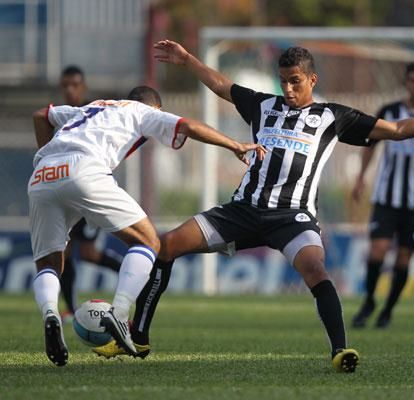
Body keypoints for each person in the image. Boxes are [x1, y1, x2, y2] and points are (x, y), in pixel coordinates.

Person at [92, 40, 414, 373]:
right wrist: (189, 60)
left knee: (316, 269)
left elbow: (398, 130)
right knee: (166, 245)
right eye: (283, 81)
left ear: (312, 79)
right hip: (244, 209)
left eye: (295, 82)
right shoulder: (263, 106)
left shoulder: (332, 117)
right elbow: (223, 86)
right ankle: (139, 339)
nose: (287, 89)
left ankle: (340, 351)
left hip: (293, 217)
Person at [29, 85, 263, 366]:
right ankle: (119, 311)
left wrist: (48, 156)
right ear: (157, 108)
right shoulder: (142, 112)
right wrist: (234, 145)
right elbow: (187, 125)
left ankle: (51, 314)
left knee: (49, 264)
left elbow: (41, 115)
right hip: (85, 169)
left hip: (43, 175)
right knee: (149, 242)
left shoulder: (90, 108)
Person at [350, 63, 414, 329]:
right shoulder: (389, 112)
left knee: (404, 256)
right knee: (378, 250)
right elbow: (370, 145)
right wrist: (361, 177)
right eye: (413, 80)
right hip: (386, 197)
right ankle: (369, 300)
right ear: (406, 83)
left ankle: (388, 309)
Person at [57, 65, 124, 322]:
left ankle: (134, 274)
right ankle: (72, 310)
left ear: (83, 87)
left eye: (75, 85)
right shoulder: (61, 115)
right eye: (65, 85)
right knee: (63, 251)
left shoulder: (93, 112)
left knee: (88, 253)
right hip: (64, 189)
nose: (70, 90)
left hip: (88, 189)